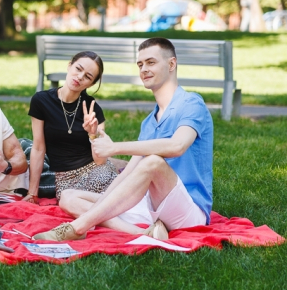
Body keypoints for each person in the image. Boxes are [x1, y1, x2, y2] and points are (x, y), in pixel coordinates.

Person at [34, 37, 213, 242]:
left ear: (171, 64)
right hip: (151, 206)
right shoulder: (149, 122)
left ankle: (77, 227)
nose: (144, 69)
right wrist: (105, 202)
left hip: (188, 213)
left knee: (153, 161)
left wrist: (114, 148)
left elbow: (177, 146)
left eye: (151, 62)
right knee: (68, 196)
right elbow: (127, 173)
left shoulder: (192, 103)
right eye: (140, 64)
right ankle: (141, 233)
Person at [24, 51, 119, 204]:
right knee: (70, 202)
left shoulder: (93, 109)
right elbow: (38, 148)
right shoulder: (41, 101)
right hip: (65, 180)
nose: (80, 77)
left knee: (112, 199)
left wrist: (92, 135)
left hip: (96, 171)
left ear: (91, 84)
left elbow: (100, 161)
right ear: (69, 66)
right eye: (78, 69)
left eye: (88, 76)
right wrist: (32, 194)